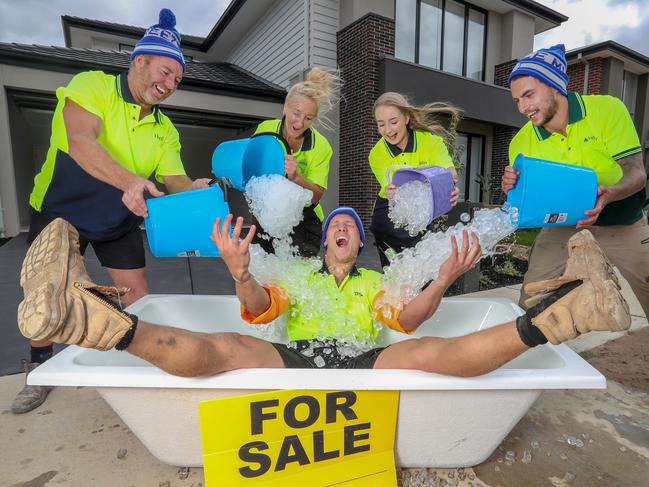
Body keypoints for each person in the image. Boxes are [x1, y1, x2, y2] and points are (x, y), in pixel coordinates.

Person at [16, 207, 630, 376]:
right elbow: (259, 314)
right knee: (228, 345)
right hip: (297, 357)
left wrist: (442, 279)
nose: (341, 229)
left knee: (428, 356)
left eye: (351, 229)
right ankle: (90, 322)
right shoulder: (298, 276)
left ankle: (566, 315)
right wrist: (238, 272)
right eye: (334, 224)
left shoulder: (375, 280)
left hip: (364, 359)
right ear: (323, 241)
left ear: (358, 245)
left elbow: (410, 321)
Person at [11, 9, 211, 414]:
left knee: (137, 294)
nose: (169, 84)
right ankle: (39, 366)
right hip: (62, 207)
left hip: (119, 214)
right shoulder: (92, 86)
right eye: (165, 71)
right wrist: (131, 183)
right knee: (45, 291)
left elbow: (174, 178)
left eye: (177, 79)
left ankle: (138, 361)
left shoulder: (165, 128)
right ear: (140, 60)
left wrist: (194, 192)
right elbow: (81, 142)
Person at [502, 44, 649, 318]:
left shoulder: (607, 110)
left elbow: (637, 173)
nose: (523, 107)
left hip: (623, 220)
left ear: (555, 85)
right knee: (532, 296)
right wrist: (512, 189)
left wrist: (610, 193)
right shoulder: (521, 142)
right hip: (563, 224)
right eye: (517, 100)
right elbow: (524, 202)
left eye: (529, 95)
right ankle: (528, 353)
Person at [252, 67, 340, 258]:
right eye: (296, 113)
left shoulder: (322, 147)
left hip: (304, 219)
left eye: (308, 118)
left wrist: (296, 177)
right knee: (262, 277)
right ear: (285, 107)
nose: (300, 123)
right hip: (267, 215)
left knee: (297, 282)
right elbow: (250, 169)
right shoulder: (265, 130)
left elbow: (316, 197)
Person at [369, 92, 461, 268]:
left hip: (421, 213)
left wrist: (449, 188)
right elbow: (390, 188)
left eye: (393, 122)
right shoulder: (376, 154)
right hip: (389, 214)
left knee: (423, 273)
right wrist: (392, 193)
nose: (387, 130)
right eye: (381, 124)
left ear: (406, 118)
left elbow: (450, 175)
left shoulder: (431, 142)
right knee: (395, 276)